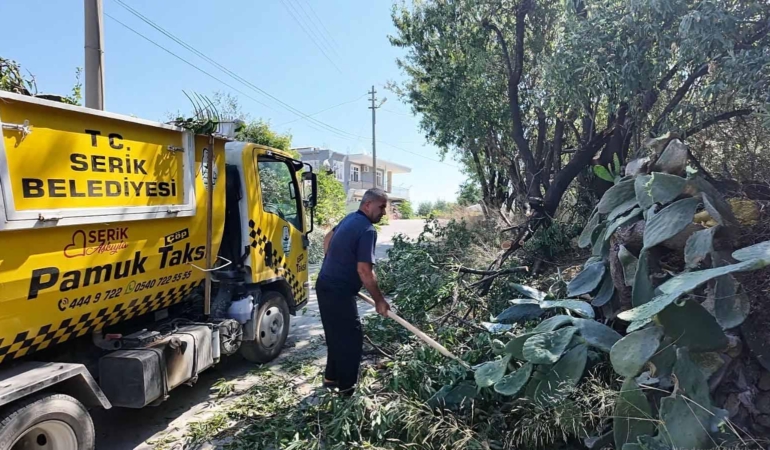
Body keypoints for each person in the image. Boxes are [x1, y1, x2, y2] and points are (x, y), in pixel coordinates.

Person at [315, 188, 391, 395]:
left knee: (334, 334)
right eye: (381, 207)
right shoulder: (367, 230)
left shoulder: (350, 218)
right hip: (338, 291)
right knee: (351, 340)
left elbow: (327, 239)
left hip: (324, 284)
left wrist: (334, 262)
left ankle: (331, 378)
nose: (384, 212)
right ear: (367, 205)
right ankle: (347, 389)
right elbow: (365, 271)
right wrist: (379, 301)